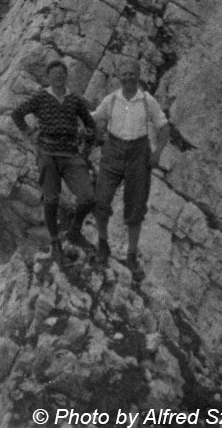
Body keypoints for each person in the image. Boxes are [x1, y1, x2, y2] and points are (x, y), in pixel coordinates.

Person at [10, 58, 96, 261]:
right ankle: (55, 242)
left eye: (62, 74)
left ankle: (74, 232)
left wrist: (84, 149)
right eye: (54, 74)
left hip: (71, 155)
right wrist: (30, 134)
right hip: (47, 154)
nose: (58, 77)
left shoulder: (74, 100)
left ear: (66, 77)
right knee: (51, 199)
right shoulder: (41, 97)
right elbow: (17, 114)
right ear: (48, 77)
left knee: (88, 197)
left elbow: (91, 126)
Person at [91, 58, 169, 278]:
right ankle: (103, 244)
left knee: (136, 208)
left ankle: (131, 256)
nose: (128, 78)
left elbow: (164, 128)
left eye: (132, 74)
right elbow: (95, 118)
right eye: (124, 74)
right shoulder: (111, 100)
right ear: (119, 77)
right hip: (112, 153)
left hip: (138, 156)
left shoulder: (147, 101)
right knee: (101, 201)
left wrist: (157, 153)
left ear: (139, 75)